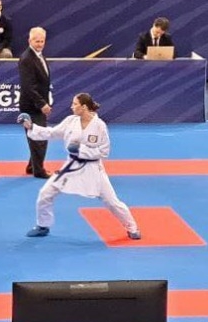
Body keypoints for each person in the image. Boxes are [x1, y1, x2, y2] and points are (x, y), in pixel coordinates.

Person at [17, 93, 142, 240]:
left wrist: (81, 150)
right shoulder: (71, 121)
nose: (71, 107)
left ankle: (132, 228)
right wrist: (31, 126)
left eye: (75, 104)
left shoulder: (99, 126)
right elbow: (51, 133)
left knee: (112, 202)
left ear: (84, 107)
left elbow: (104, 151)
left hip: (93, 168)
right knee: (46, 193)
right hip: (71, 166)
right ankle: (43, 225)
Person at [18, 27, 53, 179]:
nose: (39, 44)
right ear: (29, 41)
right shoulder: (27, 59)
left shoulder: (39, 56)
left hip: (38, 104)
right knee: (39, 138)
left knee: (37, 136)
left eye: (42, 41)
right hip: (31, 106)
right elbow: (28, 87)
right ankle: (39, 171)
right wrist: (42, 104)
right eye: (36, 41)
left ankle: (32, 166)